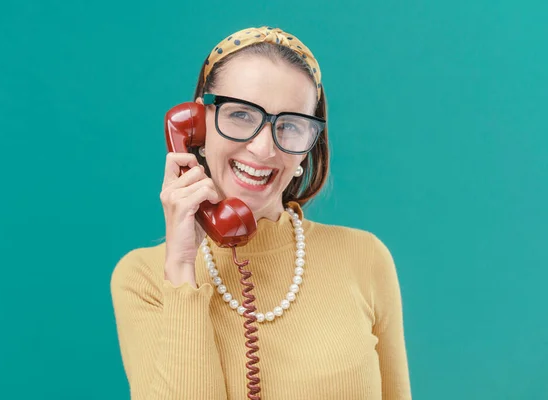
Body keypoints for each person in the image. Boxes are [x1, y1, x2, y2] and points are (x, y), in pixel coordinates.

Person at [110, 26, 412, 400]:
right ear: (198, 126)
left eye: (290, 125)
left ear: (308, 147)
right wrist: (181, 268)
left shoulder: (365, 258)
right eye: (241, 115)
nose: (264, 149)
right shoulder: (143, 279)